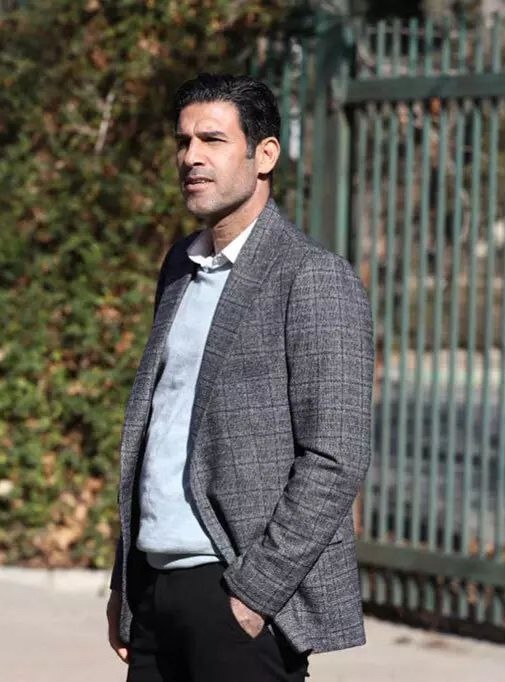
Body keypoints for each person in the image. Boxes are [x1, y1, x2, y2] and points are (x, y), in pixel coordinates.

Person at [106, 73, 374, 682]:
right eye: (183, 141)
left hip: (235, 593)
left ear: (265, 155)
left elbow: (336, 456)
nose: (191, 157)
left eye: (213, 140)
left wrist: (255, 595)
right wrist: (125, 581)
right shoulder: (180, 266)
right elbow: (158, 432)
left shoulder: (311, 277)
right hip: (154, 591)